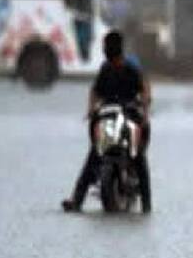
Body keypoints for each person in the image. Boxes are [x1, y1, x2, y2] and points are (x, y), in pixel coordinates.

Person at [62, 31, 152, 213]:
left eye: (107, 47)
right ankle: (76, 200)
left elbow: (145, 89)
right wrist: (91, 109)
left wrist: (144, 107)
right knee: (94, 154)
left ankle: (147, 204)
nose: (105, 50)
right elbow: (95, 91)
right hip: (108, 115)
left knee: (139, 157)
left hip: (129, 114)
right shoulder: (105, 69)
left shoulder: (131, 69)